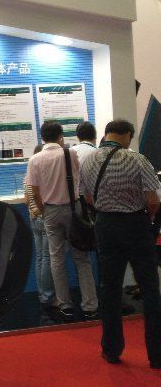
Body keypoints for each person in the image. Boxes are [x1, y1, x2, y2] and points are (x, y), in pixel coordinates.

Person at [80, 120, 161, 368]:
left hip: (105, 226)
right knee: (150, 289)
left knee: (110, 288)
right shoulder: (137, 159)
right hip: (135, 224)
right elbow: (153, 200)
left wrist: (107, 208)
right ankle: (157, 354)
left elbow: (87, 197)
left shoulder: (89, 161)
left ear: (107, 134)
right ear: (127, 135)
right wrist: (147, 217)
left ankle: (111, 349)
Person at [26, 122, 99, 322]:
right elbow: (79, 179)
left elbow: (34, 192)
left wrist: (44, 211)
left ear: (42, 138)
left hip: (50, 211)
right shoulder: (70, 153)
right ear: (61, 136)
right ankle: (90, 306)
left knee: (56, 259)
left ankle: (65, 305)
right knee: (81, 258)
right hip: (73, 210)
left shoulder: (35, 159)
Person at [25, 143, 56, 312]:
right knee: (47, 258)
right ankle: (47, 296)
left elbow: (27, 199)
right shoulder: (41, 175)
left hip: (33, 217)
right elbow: (41, 197)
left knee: (39, 258)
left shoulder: (28, 174)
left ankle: (42, 294)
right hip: (44, 218)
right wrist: (44, 213)